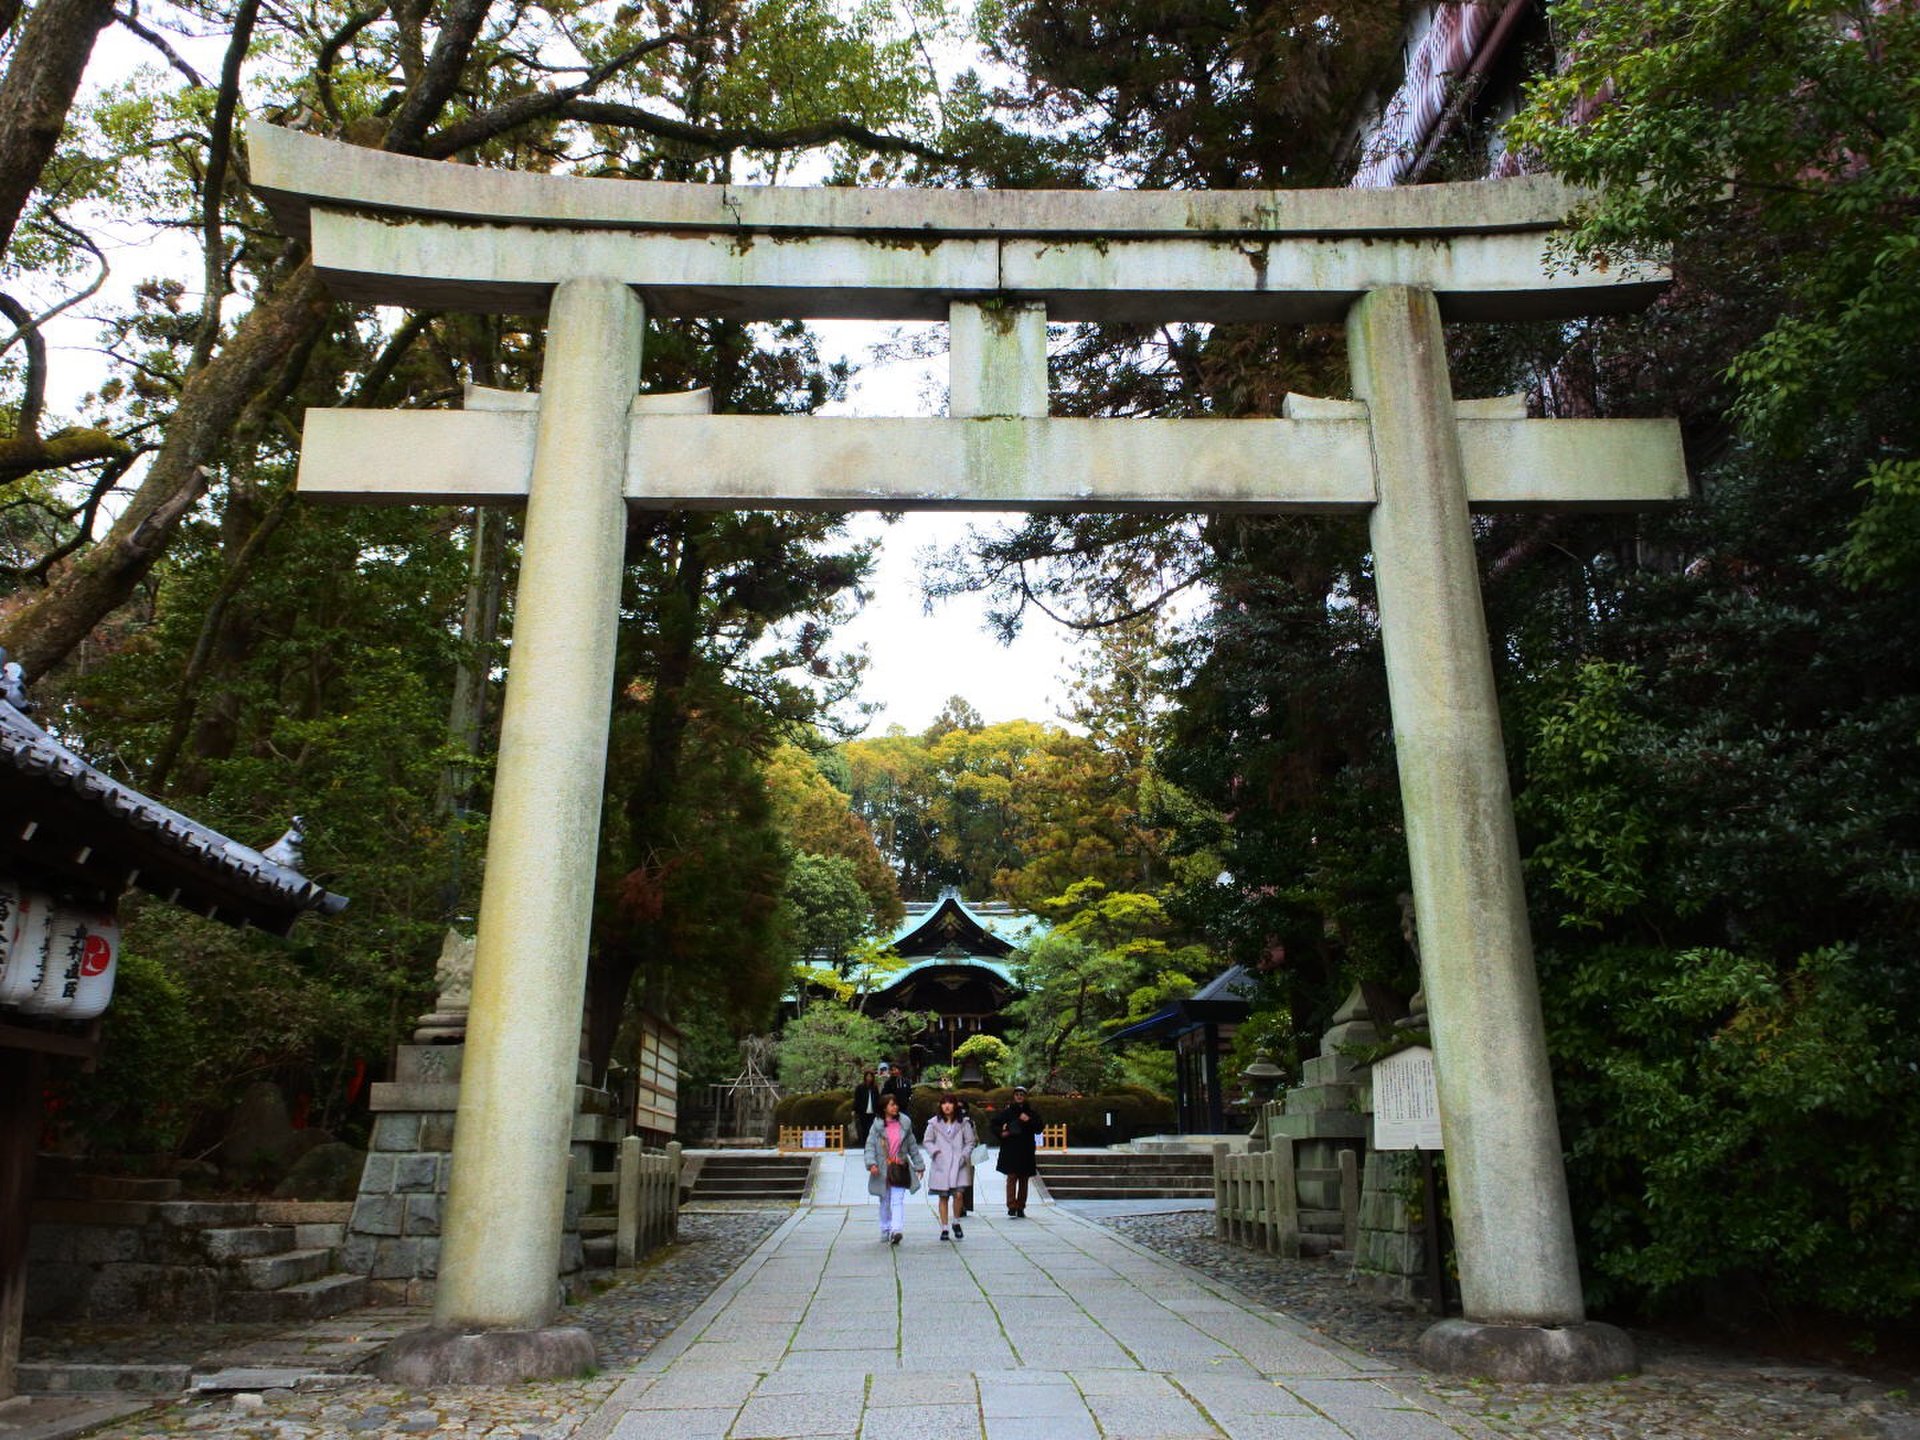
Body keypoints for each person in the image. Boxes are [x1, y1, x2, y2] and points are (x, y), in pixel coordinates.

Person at [863, 1091, 925, 1244]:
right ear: (884, 1108)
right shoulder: (877, 1126)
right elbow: (869, 1146)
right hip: (883, 1168)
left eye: (896, 1104)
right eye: (891, 1104)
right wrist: (871, 1163)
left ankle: (896, 1229)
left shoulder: (905, 1124)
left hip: (899, 1166)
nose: (895, 1107)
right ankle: (885, 1228)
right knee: (885, 1200)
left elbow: (912, 1146)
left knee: (897, 1199)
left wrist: (919, 1165)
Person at [921, 1092, 976, 1242]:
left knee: (958, 1194)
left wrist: (964, 1156)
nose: (947, 1106)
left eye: (950, 1103)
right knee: (943, 1196)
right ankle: (944, 1227)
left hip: (959, 1164)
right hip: (942, 1164)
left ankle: (956, 1221)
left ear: (955, 1105)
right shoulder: (934, 1123)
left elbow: (970, 1142)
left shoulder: (964, 1123)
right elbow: (927, 1141)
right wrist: (935, 1153)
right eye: (944, 1103)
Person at [992, 1084, 1040, 1217]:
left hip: (1026, 1148)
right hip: (1011, 1148)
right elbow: (994, 1124)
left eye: (1021, 1095)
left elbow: (1039, 1127)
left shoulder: (1031, 1112)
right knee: (1011, 1177)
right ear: (1014, 1097)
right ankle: (1011, 1205)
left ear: (1025, 1097)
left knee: (1024, 1178)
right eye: (1017, 1095)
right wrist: (1002, 1133)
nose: (1019, 1097)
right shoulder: (1007, 1112)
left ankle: (1021, 1206)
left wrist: (1029, 1120)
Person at [852, 1067, 880, 1146]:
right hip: (863, 1111)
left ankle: (871, 1144)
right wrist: (854, 1109)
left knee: (871, 1128)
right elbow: (856, 1099)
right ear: (865, 1077)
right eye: (867, 1076)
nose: (869, 1078)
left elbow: (878, 1099)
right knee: (864, 1128)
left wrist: (879, 1110)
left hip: (873, 1111)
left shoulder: (874, 1088)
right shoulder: (860, 1087)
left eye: (870, 1076)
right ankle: (865, 1143)